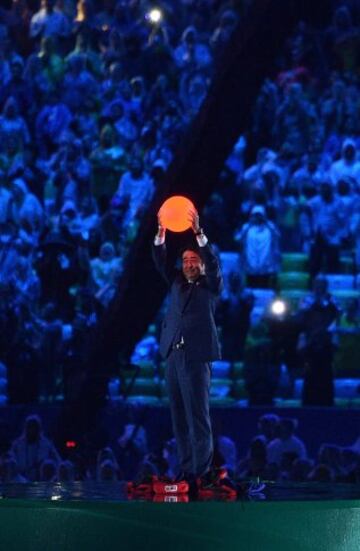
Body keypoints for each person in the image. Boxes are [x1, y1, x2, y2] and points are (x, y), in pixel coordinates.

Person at [152, 207, 226, 491]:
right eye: (185, 260)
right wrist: (161, 234)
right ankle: (186, 470)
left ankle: (202, 472)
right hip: (174, 354)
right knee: (179, 415)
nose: (189, 264)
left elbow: (214, 263)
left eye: (194, 260)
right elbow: (159, 261)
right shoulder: (176, 284)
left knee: (197, 416)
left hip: (196, 357)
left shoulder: (211, 285)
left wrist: (198, 234)